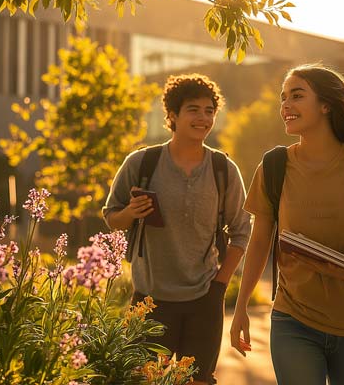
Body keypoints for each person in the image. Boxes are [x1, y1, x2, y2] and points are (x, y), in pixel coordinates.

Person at [229, 63, 344, 385]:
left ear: (326, 105)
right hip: (293, 321)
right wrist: (241, 307)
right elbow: (259, 241)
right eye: (283, 97)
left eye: (297, 96)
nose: (285, 105)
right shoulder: (274, 167)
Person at [103, 73, 251, 385]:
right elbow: (111, 216)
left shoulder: (224, 169)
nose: (204, 118)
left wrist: (219, 286)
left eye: (210, 110)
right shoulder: (141, 163)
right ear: (172, 116)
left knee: (197, 381)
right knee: (142, 379)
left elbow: (241, 230)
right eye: (194, 109)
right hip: (149, 298)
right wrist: (130, 212)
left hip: (204, 299)